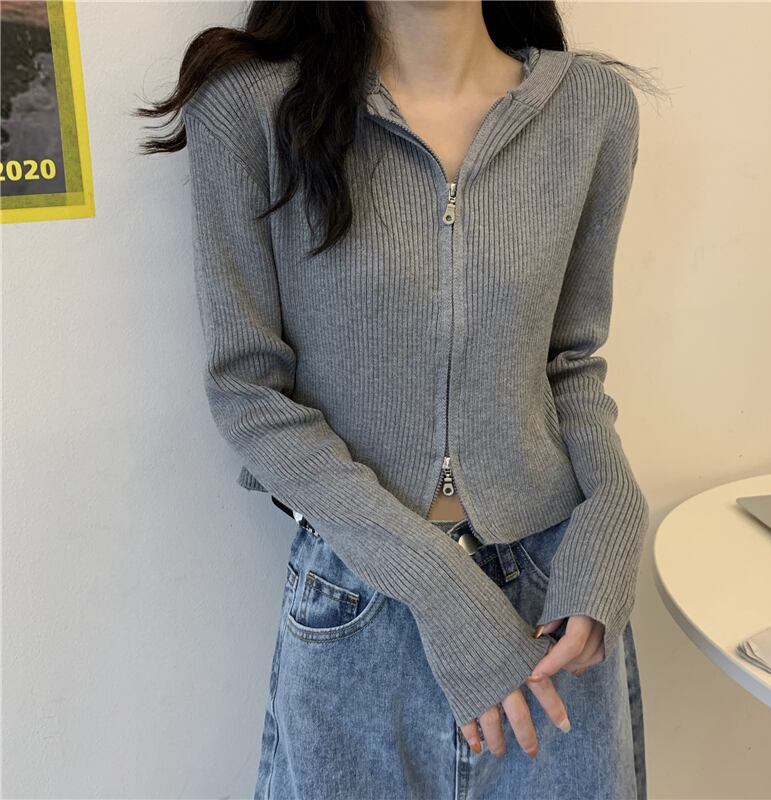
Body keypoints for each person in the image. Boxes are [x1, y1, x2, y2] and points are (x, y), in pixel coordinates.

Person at [138, 1, 658, 797]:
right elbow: (250, 393)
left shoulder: (590, 109)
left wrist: (614, 518)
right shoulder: (250, 108)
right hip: (361, 600)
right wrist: (440, 589)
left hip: (555, 607)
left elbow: (570, 362)